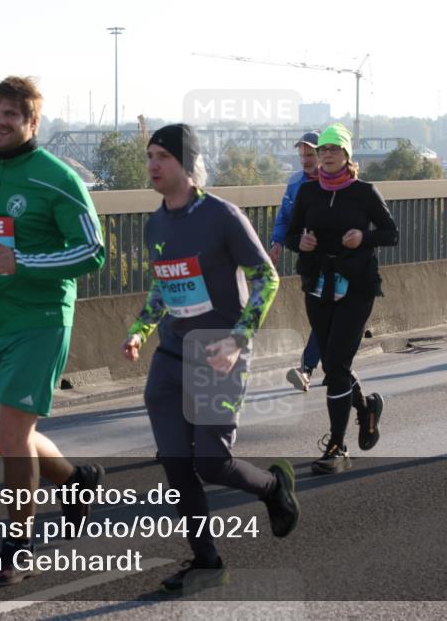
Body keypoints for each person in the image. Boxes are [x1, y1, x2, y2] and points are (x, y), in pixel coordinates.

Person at [121, 123, 300, 594]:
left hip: (219, 351)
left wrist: (240, 338)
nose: (152, 165)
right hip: (171, 355)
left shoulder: (223, 216)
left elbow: (267, 276)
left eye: (162, 156)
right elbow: (164, 284)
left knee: (211, 463)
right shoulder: (155, 222)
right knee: (177, 462)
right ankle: (206, 560)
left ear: (187, 164)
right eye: (150, 156)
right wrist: (140, 330)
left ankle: (272, 487)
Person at [0, 76, 107, 587]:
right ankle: (76, 482)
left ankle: (18, 545)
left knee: (15, 436)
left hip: (40, 320)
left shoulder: (57, 177)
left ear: (31, 121)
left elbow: (92, 251)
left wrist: (26, 262)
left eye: (10, 115)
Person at [284, 123, 398, 474]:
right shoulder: (307, 193)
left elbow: (391, 233)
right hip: (318, 284)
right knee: (336, 364)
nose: (327, 155)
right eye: (323, 151)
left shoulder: (364, 192)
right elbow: (291, 233)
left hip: (357, 286)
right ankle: (365, 411)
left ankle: (337, 445)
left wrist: (363, 237)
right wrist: (298, 243)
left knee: (335, 365)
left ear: (347, 155)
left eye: (334, 149)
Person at [269, 131, 322, 392]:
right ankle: (321, 368)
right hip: (310, 262)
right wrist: (276, 243)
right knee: (323, 318)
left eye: (310, 154)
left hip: (342, 263)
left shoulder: (342, 183)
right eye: (301, 155)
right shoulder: (294, 184)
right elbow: (284, 219)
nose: (305, 160)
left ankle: (309, 368)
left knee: (329, 319)